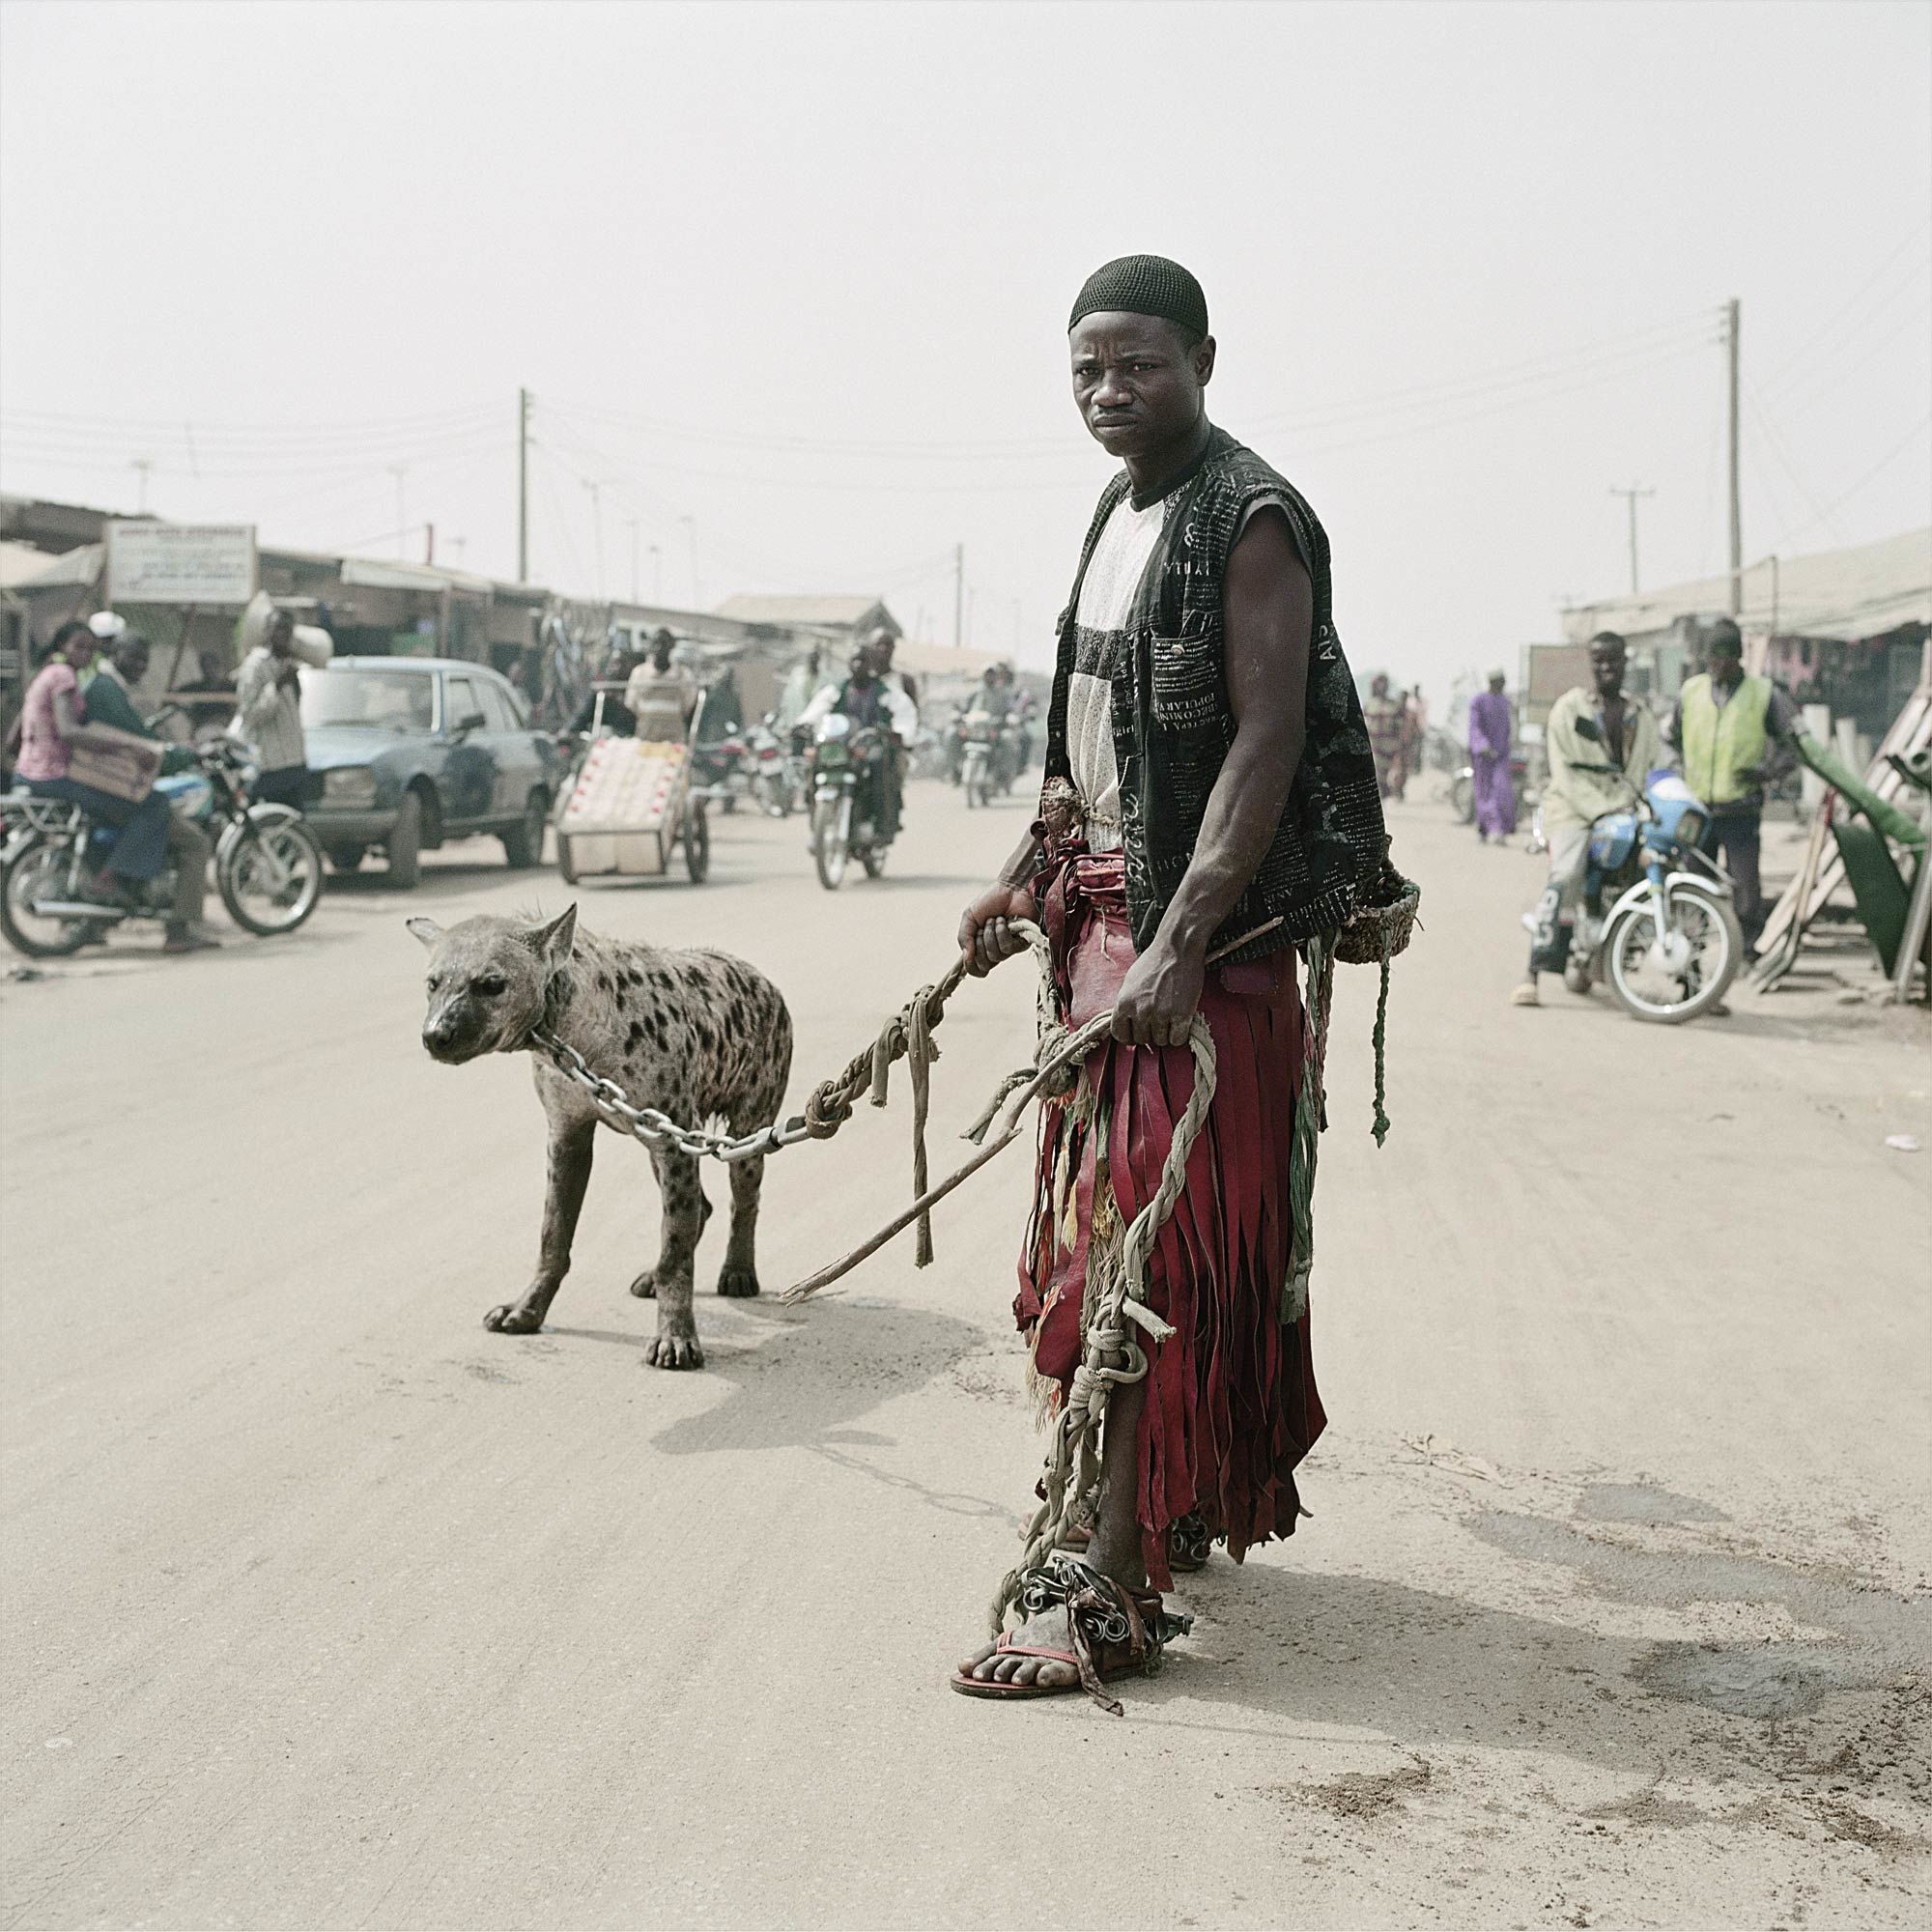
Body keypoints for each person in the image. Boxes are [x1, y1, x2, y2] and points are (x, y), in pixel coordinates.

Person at [953, 253, 1388, 1703]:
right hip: (1099, 933)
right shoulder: (1116, 510)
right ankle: (1156, 1509)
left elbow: (1262, 745)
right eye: (1086, 369)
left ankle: (1111, 1583)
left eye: (1137, 363)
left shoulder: (1249, 518)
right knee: (1111, 1241)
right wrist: (1026, 869)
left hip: (1186, 954)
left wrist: (1183, 944)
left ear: (1205, 356)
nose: (1108, 392)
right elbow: (1092, 727)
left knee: (1139, 1254)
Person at [14, 621, 211, 952]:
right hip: (58, 774)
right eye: (80, 646)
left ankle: (99, 918)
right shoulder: (79, 681)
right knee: (156, 808)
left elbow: (17, 734)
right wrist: (150, 751)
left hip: (35, 773)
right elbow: (78, 731)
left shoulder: (52, 676)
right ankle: (122, 887)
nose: (141, 666)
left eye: (90, 648)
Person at [1512, 631, 1663, 1007]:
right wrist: (1605, 809)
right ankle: (1532, 972)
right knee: (1566, 874)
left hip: (1624, 807)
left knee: (1653, 869)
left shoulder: (1641, 714)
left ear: (1626, 661)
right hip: (1573, 808)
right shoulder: (1568, 709)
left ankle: (1695, 983)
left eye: (1613, 659)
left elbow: (1650, 765)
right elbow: (1564, 773)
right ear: (1591, 664)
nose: (1607, 667)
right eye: (1599, 660)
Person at [1665, 618, 1801, 953]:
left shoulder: (1764, 694)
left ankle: (1746, 950)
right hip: (1697, 809)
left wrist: (1767, 772)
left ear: (1739, 656)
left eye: (1726, 656)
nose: (1719, 663)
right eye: (1713, 656)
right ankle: (1692, 954)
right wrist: (1676, 774)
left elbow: (1795, 745)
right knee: (1694, 884)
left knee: (1745, 887)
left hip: (1741, 807)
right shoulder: (1691, 691)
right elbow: (1669, 738)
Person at [80, 632, 218, 951]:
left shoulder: (108, 687)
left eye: (145, 660)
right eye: (133, 657)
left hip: (105, 780)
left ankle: (98, 921)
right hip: (113, 784)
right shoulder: (105, 689)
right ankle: (180, 930)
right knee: (195, 843)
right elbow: (138, 742)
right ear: (114, 653)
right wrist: (186, 755)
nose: (140, 665)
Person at [798, 642, 918, 838]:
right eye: (854, 660)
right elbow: (815, 711)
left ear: (870, 664)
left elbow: (904, 716)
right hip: (841, 748)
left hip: (870, 749)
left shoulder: (885, 693)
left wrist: (898, 733)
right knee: (815, 769)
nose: (857, 665)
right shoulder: (837, 690)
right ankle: (816, 817)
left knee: (881, 776)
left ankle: (881, 827)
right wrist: (803, 724)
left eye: (862, 661)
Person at [232, 595, 327, 809]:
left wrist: (292, 682)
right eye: (278, 630)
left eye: (287, 630)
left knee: (294, 824)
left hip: (294, 760)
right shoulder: (255, 666)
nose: (283, 635)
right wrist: (276, 686)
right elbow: (250, 714)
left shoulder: (289, 663)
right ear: (267, 632)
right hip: (270, 764)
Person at [1467, 670, 1518, 841]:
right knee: (1484, 793)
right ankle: (1488, 828)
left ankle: (1499, 828)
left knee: (1501, 792)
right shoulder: (1479, 701)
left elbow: (1509, 728)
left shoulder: (1504, 702)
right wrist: (1483, 746)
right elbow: (1474, 727)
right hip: (1483, 757)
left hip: (1501, 755)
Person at [624, 629, 698, 742]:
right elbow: (631, 702)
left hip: (673, 736)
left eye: (664, 643)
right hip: (645, 733)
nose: (659, 648)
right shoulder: (639, 672)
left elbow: (689, 703)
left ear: (672, 646)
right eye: (656, 643)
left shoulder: (684, 674)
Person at [1363, 672, 1406, 799]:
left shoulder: (1394, 705)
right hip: (1374, 743)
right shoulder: (1369, 704)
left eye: (1383, 683)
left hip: (1390, 744)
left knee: (1390, 774)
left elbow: (1401, 726)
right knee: (1376, 772)